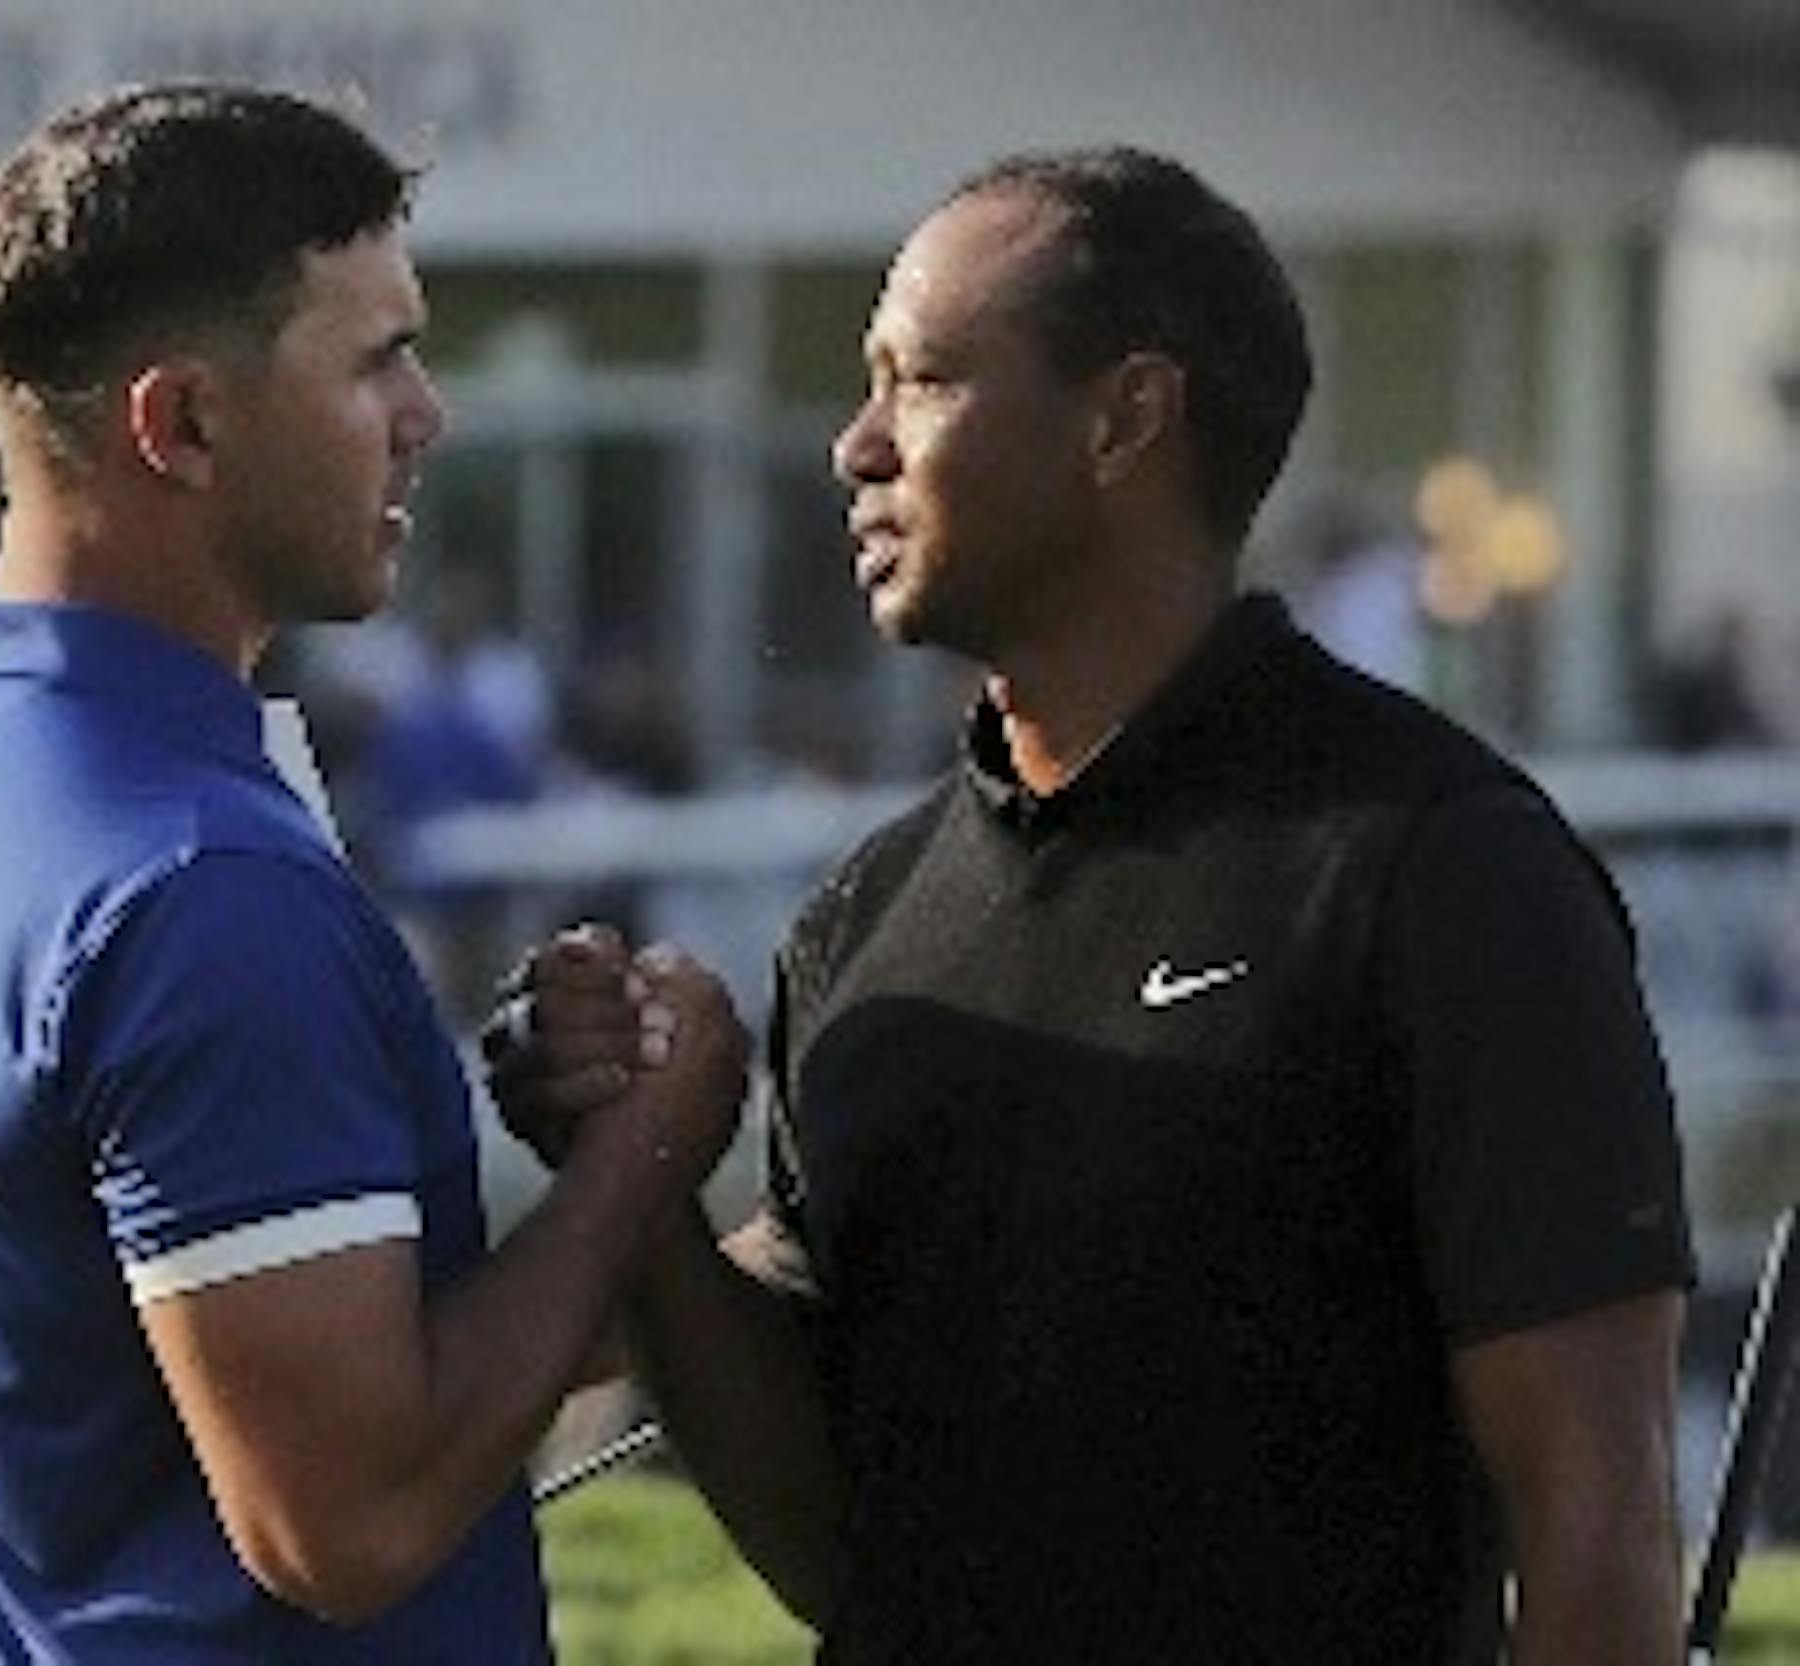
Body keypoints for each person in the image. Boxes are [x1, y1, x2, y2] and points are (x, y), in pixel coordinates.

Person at [489, 146, 1694, 1664]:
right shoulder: (862, 921)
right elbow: (838, 1546)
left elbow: (1601, 1528)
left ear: (1125, 417)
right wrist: (643, 1177)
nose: (857, 446)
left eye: (923, 381)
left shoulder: (1443, 869)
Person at [0, 82, 743, 1663]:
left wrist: (551, 1163)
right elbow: (346, 1524)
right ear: (180, 424)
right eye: (377, 360)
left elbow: (158, 1371)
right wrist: (646, 1155)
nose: (428, 412)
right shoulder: (197, 889)